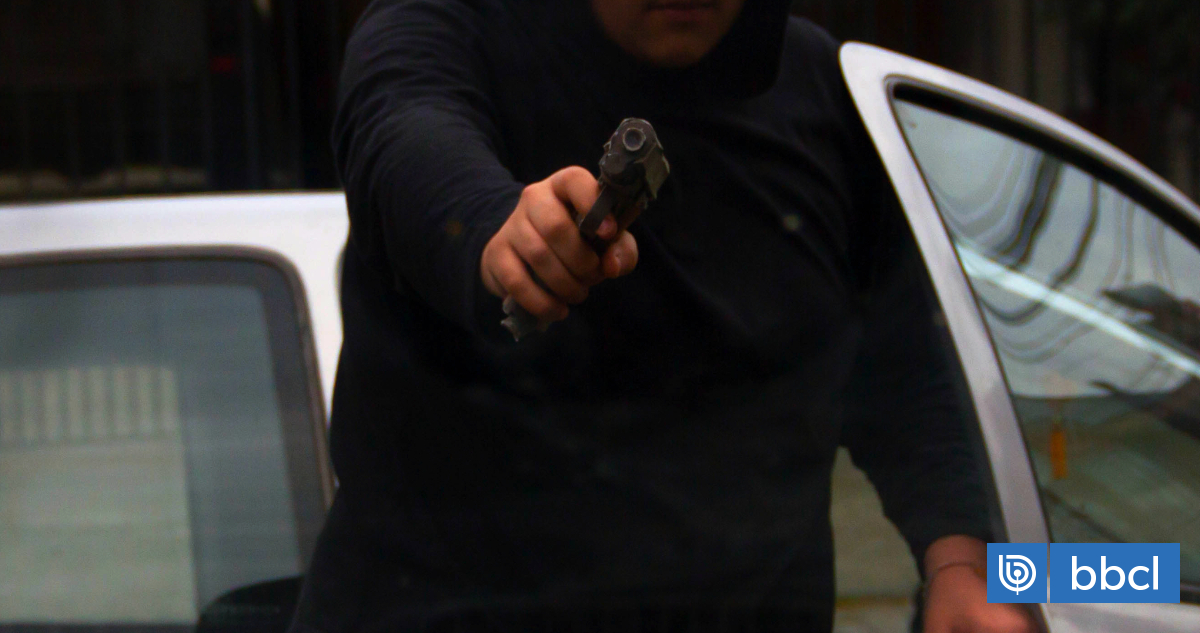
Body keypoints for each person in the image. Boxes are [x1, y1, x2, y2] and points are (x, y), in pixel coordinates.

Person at [289, 1, 1037, 632]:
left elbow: (903, 365)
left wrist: (962, 564)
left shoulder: (826, 91)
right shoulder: (448, 29)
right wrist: (492, 228)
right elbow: (405, 133)